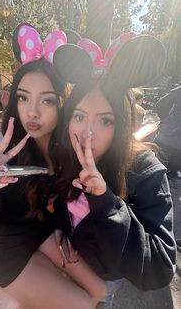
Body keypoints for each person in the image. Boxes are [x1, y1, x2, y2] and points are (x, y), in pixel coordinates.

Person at [0, 24, 107, 309]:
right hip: (8, 249)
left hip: (40, 233)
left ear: (62, 103)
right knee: (81, 304)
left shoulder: (64, 146)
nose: (32, 111)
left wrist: (59, 229)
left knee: (101, 290)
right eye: (23, 97)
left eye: (46, 100)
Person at [40, 32, 177, 309]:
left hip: (110, 282)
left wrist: (107, 203)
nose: (87, 133)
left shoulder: (145, 173)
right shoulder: (67, 158)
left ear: (123, 124)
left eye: (105, 120)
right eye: (79, 117)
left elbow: (161, 268)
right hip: (70, 272)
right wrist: (56, 230)